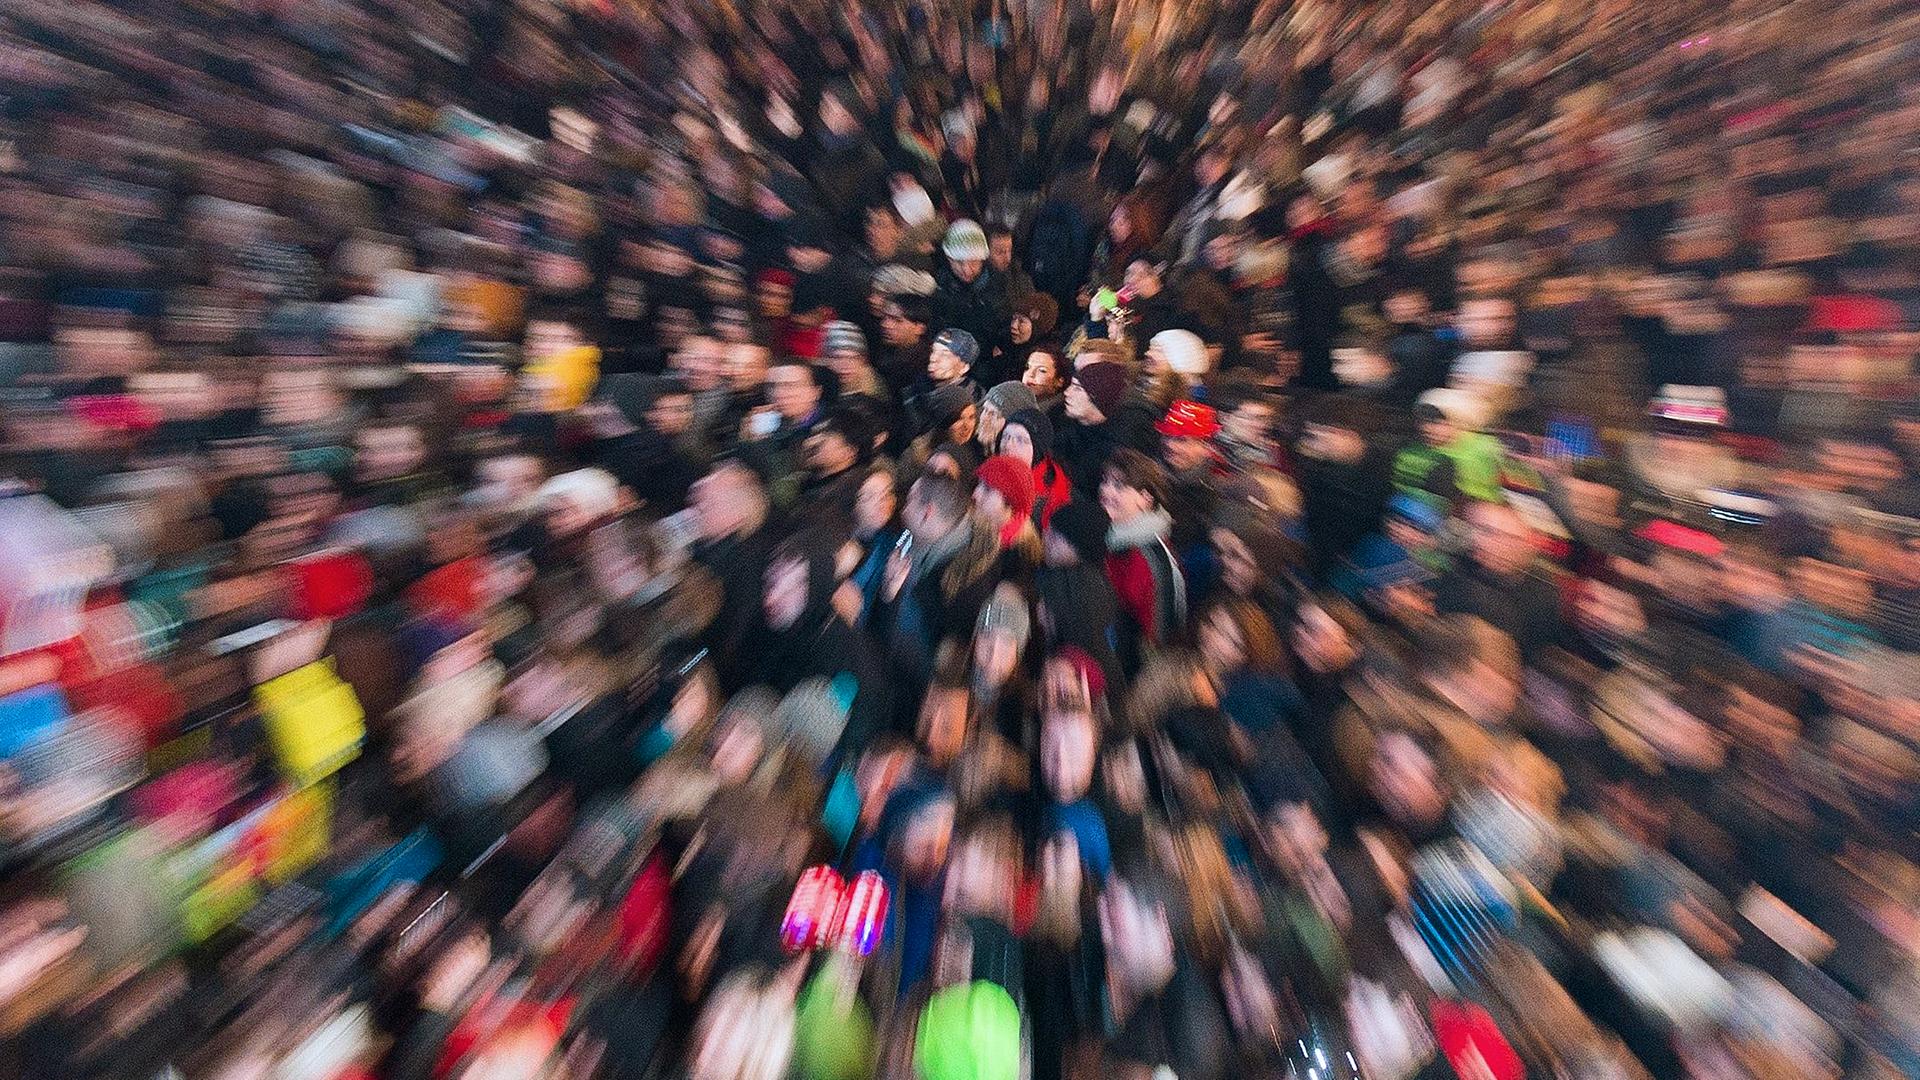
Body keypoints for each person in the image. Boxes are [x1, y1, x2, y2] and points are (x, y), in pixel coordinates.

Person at [1101, 449, 1188, 666]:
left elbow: (1161, 642)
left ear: (1145, 499)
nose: (1105, 490)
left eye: (1119, 485)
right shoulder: (1109, 538)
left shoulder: (1155, 562)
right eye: (1105, 481)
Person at [998, 408, 1072, 530]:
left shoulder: (1044, 503)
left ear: (1038, 451)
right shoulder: (993, 472)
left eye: (1021, 440)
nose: (1008, 445)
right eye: (1005, 436)